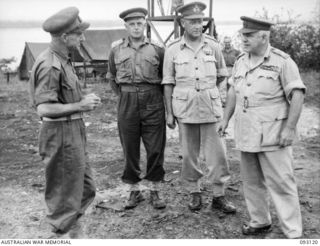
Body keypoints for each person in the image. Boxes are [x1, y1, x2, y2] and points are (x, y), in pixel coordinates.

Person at [217, 16, 305, 238]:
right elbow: (232, 91)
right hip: (247, 132)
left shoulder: (283, 61)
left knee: (281, 183)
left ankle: (293, 233)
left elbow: (297, 95)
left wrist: (290, 128)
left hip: (272, 134)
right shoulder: (240, 61)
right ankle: (260, 221)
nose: (243, 39)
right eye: (242, 35)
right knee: (252, 181)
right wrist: (225, 119)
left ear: (264, 37)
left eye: (248, 35)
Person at [29, 7, 101, 238]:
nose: (82, 38)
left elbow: (62, 97)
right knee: (64, 195)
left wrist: (82, 100)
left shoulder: (64, 60)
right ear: (64, 36)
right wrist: (80, 106)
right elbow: (44, 108)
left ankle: (72, 231)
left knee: (85, 188)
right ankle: (60, 235)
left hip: (72, 131)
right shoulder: (50, 65)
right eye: (78, 34)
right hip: (60, 134)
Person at [162, 1, 236, 213]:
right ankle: (195, 193)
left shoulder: (212, 45)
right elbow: (168, 82)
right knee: (188, 154)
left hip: (210, 108)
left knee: (218, 154)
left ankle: (219, 196)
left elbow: (223, 75)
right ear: (183, 23)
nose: (197, 25)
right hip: (185, 109)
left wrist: (214, 96)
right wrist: (169, 112)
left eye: (200, 21)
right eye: (192, 21)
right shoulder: (173, 49)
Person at [106, 7, 166, 210]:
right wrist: (125, 96)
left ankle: (155, 190)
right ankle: (134, 191)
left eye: (140, 23)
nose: (136, 27)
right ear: (126, 26)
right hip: (127, 101)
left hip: (153, 100)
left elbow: (165, 78)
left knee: (155, 148)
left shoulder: (157, 48)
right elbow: (112, 77)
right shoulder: (116, 49)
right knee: (130, 148)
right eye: (132, 24)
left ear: (145, 24)